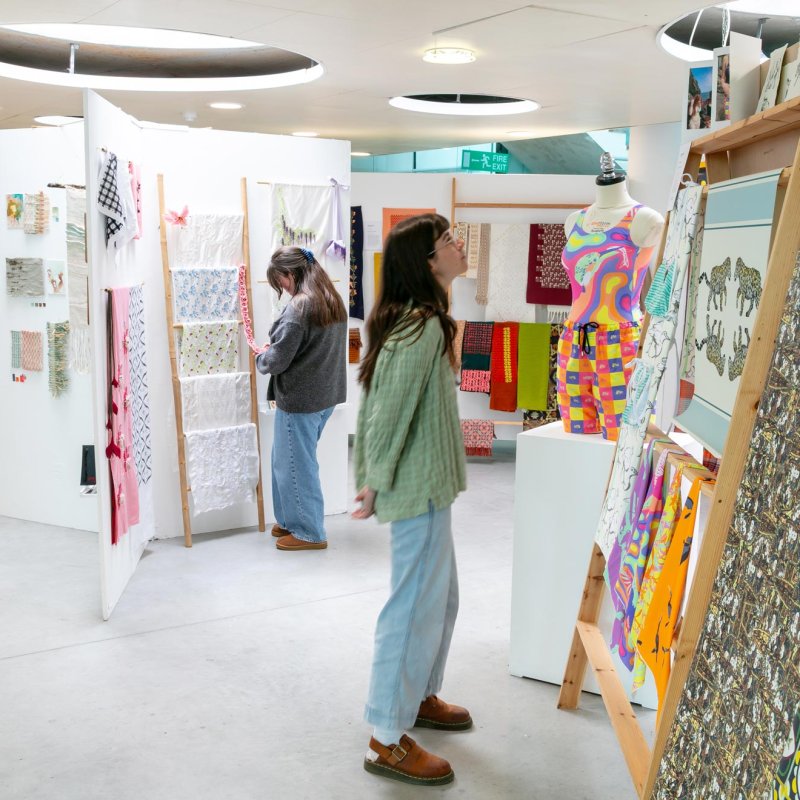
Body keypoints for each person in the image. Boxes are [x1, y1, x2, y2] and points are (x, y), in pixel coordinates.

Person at [353, 214, 470, 787]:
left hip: (430, 484)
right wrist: (372, 481)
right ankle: (384, 736)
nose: (458, 245)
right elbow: (387, 409)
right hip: (415, 487)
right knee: (412, 608)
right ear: (427, 262)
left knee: (441, 600)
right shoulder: (420, 328)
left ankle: (420, 694)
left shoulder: (428, 322)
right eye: (448, 241)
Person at [256, 246, 346, 551]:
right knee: (288, 460)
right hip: (324, 395)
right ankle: (291, 520)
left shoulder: (299, 307)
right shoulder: (330, 299)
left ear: (291, 273)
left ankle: (309, 531)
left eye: (280, 280)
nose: (281, 286)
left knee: (295, 464)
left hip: (301, 399)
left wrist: (262, 357)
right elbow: (310, 346)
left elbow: (277, 360)